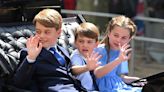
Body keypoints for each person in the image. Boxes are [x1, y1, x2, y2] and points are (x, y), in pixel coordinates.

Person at [13, 9, 87, 92]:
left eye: (47, 32)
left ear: (58, 32)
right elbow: (18, 83)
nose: (41, 36)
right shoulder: (29, 53)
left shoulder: (63, 51)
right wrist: (31, 58)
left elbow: (69, 74)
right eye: (38, 32)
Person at [94, 15, 144, 92]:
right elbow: (98, 74)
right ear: (109, 33)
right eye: (116, 35)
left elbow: (120, 77)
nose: (118, 40)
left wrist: (139, 80)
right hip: (108, 88)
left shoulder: (122, 52)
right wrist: (118, 60)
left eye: (123, 38)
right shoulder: (100, 50)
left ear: (129, 39)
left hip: (120, 86)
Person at [70, 22, 101, 91]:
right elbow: (73, 70)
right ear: (75, 42)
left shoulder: (95, 53)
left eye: (89, 42)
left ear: (96, 44)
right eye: (81, 41)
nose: (85, 45)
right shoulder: (76, 55)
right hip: (84, 89)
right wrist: (87, 67)